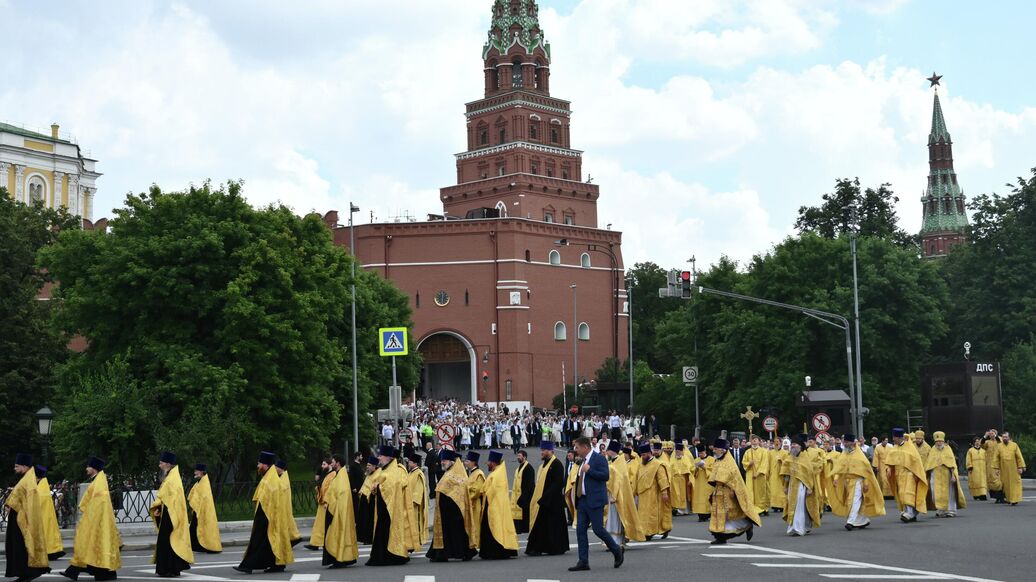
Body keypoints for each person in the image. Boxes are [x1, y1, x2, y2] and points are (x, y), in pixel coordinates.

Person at [567, 437, 623, 572]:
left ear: (585, 447)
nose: (576, 450)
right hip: (583, 500)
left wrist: (589, 470)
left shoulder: (599, 459)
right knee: (580, 531)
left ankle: (617, 550)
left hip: (595, 500)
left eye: (577, 447)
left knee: (598, 529)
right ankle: (583, 561)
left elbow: (605, 476)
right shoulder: (582, 460)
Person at [62, 456, 121, 581]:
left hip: (97, 520)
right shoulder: (98, 480)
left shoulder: (99, 481)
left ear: (94, 468)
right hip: (96, 519)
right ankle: (73, 571)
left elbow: (98, 503)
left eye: (88, 466)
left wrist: (91, 519)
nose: (86, 469)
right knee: (90, 546)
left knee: (91, 545)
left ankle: (78, 571)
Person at [234, 452, 294, 574]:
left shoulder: (271, 479)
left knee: (258, 541)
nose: (257, 466)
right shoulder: (269, 476)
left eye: (259, 463)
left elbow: (269, 500)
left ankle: (248, 566)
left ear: (265, 465)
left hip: (267, 517)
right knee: (266, 543)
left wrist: (264, 517)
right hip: (266, 516)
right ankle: (276, 565)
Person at [427, 449, 477, 562]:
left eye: (444, 460)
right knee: (447, 534)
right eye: (442, 460)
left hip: (454, 511)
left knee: (457, 533)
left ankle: (465, 553)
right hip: (445, 511)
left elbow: (458, 492)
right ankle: (441, 554)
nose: (442, 462)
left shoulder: (456, 475)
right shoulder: (448, 473)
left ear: (451, 461)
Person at [5, 453, 50, 582]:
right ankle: (24, 573)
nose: (15, 469)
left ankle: (28, 573)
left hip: (21, 519)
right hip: (18, 517)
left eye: (17, 466)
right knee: (18, 546)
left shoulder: (28, 480)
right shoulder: (27, 478)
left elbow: (29, 502)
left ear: (24, 466)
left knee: (20, 546)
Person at [707, 439, 760, 545]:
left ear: (723, 450)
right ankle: (719, 537)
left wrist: (733, 490)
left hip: (728, 492)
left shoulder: (729, 462)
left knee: (731, 516)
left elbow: (735, 478)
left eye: (716, 449)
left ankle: (747, 525)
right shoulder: (717, 461)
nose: (714, 451)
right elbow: (714, 477)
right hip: (718, 492)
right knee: (718, 516)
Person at [150, 452, 193, 577]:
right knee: (168, 541)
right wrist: (159, 508)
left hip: (171, 515)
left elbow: (168, 497)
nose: (159, 465)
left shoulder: (172, 478)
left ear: (168, 464)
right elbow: (167, 497)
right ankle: (171, 568)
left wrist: (159, 506)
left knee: (168, 541)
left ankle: (169, 569)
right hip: (168, 512)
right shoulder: (171, 476)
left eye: (161, 463)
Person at [828, 433, 884, 531]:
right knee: (854, 501)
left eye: (846, 442)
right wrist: (836, 479)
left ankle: (850, 522)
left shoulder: (860, 456)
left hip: (858, 481)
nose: (844, 444)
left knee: (854, 501)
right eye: (844, 442)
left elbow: (866, 472)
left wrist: (866, 483)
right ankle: (862, 520)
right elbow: (839, 468)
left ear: (852, 443)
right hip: (847, 482)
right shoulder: (844, 454)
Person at [366, 446, 411, 566]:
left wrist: (378, 486)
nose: (379, 458)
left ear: (388, 457)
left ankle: (391, 557)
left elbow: (393, 485)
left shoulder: (395, 470)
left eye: (381, 456)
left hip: (390, 508)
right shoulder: (385, 469)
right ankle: (381, 557)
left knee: (387, 532)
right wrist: (375, 487)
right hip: (383, 506)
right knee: (382, 532)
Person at [525, 442, 568, 556]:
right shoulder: (543, 465)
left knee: (552, 527)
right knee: (542, 526)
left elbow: (558, 483)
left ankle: (553, 548)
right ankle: (537, 548)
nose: (542, 452)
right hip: (543, 501)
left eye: (544, 450)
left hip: (552, 502)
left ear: (551, 451)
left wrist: (546, 497)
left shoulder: (557, 464)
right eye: (541, 450)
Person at [476, 451, 518, 560]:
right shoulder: (496, 472)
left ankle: (495, 552)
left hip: (495, 506)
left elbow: (493, 489)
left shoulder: (497, 474)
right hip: (491, 504)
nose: (487, 464)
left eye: (489, 462)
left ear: (493, 463)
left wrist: (483, 492)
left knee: (494, 529)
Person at [603, 440, 643, 548]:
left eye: (608, 450)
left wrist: (614, 496)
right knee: (612, 517)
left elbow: (618, 480)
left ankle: (616, 541)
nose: (607, 452)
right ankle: (614, 540)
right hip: (611, 493)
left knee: (615, 518)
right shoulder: (613, 462)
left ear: (612, 451)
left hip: (617, 495)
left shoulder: (620, 462)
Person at [322, 454, 358, 569]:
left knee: (337, 535)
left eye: (333, 462)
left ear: (338, 463)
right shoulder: (339, 474)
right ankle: (342, 558)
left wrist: (331, 505)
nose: (331, 463)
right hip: (335, 509)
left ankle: (339, 559)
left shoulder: (341, 476)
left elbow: (341, 494)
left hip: (337, 511)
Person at [885, 428, 928, 522]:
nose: (893, 439)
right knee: (901, 493)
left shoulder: (910, 448)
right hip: (898, 475)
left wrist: (916, 473)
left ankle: (909, 513)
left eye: (894, 437)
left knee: (908, 493)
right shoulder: (894, 448)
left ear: (899, 438)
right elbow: (889, 461)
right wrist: (888, 468)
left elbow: (916, 462)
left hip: (909, 474)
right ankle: (910, 512)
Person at [782, 437, 820, 536]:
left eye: (795, 444)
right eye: (792, 444)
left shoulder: (805, 457)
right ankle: (802, 526)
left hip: (802, 486)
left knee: (799, 507)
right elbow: (786, 474)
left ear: (800, 446)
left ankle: (798, 528)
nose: (793, 446)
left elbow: (809, 474)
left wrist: (810, 488)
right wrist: (785, 486)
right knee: (793, 505)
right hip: (791, 485)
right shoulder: (789, 457)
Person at [925, 431, 966, 518]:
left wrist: (953, 475)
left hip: (947, 475)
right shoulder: (932, 450)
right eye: (937, 441)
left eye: (940, 441)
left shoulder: (948, 449)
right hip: (935, 475)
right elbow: (929, 463)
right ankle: (941, 509)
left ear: (943, 441)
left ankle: (951, 510)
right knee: (935, 492)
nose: (939, 443)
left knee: (950, 493)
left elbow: (952, 463)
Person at [635, 443, 671, 540]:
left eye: (644, 455)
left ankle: (649, 533)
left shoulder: (657, 464)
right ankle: (646, 531)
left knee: (651, 514)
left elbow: (662, 479)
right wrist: (635, 492)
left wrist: (664, 493)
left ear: (649, 453)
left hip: (653, 494)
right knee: (643, 514)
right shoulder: (641, 464)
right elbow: (637, 478)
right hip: (642, 494)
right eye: (641, 455)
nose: (642, 457)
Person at [187, 464, 222, 554]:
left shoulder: (204, 482)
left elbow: (204, 497)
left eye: (196, 471)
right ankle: (198, 547)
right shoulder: (200, 482)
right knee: (193, 528)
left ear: (202, 472)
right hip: (198, 509)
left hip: (203, 510)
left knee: (197, 528)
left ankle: (209, 547)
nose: (195, 472)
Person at [34, 465, 65, 560]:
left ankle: (48, 552)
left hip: (43, 517)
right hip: (47, 516)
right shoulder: (43, 486)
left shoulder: (40, 489)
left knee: (45, 534)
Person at [272, 460, 302, 546]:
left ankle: (294, 538)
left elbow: (280, 488)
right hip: (283, 504)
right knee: (288, 521)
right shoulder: (282, 476)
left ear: (280, 468)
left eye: (276, 467)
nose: (275, 469)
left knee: (286, 521)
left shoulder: (283, 477)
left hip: (283, 504)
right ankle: (294, 537)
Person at [306, 457, 334, 551]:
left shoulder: (332, 474)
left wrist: (327, 501)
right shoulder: (325, 474)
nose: (322, 466)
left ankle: (318, 543)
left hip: (326, 503)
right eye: (322, 464)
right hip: (322, 502)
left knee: (323, 525)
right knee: (319, 525)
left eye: (324, 464)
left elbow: (330, 489)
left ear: (329, 465)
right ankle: (315, 543)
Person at [354, 456, 380, 545]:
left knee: (369, 520)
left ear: (374, 466)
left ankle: (369, 538)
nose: (367, 467)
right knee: (363, 520)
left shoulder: (378, 473)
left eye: (369, 465)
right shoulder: (369, 474)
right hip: (364, 500)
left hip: (371, 500)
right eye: (367, 465)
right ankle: (363, 537)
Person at [742, 436, 770, 516]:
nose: (754, 441)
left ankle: (762, 508)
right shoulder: (747, 452)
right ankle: (752, 509)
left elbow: (764, 463)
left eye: (755, 440)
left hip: (760, 475)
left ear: (759, 441)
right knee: (750, 492)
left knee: (760, 492)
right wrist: (749, 463)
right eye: (752, 440)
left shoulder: (763, 451)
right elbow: (744, 462)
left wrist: (757, 473)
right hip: (750, 475)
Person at [405, 453, 429, 547]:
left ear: (415, 463)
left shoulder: (419, 473)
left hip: (414, 505)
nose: (408, 464)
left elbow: (419, 490)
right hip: (408, 503)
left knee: (416, 523)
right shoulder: (410, 473)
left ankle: (417, 540)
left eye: (410, 462)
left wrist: (413, 502)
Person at [509, 450, 535, 535]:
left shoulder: (529, 468)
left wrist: (524, 497)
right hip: (518, 495)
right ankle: (519, 528)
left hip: (526, 496)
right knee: (518, 513)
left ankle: (524, 528)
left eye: (519, 456)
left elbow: (529, 484)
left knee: (525, 513)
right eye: (518, 456)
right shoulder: (519, 468)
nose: (518, 457)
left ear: (524, 457)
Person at [998, 432, 1026, 505]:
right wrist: (996, 469)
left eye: (1006, 437)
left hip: (1014, 468)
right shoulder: (999, 446)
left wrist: (1020, 467)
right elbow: (996, 458)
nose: (1004, 438)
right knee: (1006, 484)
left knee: (1015, 484)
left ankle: (1015, 499)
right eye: (1003, 437)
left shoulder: (1014, 445)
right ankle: (1009, 499)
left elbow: (1019, 457)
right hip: (1004, 469)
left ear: (1009, 438)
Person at [690, 445, 714, 522]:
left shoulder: (711, 459)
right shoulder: (696, 460)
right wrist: (696, 468)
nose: (700, 454)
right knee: (699, 498)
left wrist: (704, 467)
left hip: (707, 483)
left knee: (707, 498)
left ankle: (707, 515)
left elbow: (713, 470)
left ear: (705, 452)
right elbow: (692, 470)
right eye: (699, 453)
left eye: (702, 453)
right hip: (699, 483)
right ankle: (700, 516)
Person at [669, 443, 692, 516]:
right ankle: (677, 509)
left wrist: (689, 479)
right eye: (676, 452)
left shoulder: (686, 458)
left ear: (682, 451)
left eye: (679, 452)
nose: (677, 453)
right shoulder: (673, 459)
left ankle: (684, 510)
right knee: (676, 495)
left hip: (683, 480)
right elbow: (670, 468)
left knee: (683, 495)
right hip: (675, 480)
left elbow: (689, 469)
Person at [982, 430, 1004, 503]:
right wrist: (985, 436)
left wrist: (996, 436)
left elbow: (1001, 442)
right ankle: (997, 497)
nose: (991, 435)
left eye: (993, 433)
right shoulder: (987, 442)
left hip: (999, 464)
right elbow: (982, 445)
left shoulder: (1000, 439)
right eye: (990, 434)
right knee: (991, 481)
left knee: (999, 481)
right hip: (990, 465)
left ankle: (1001, 497)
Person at [768, 440, 789, 514]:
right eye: (775, 442)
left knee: (781, 490)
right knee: (773, 490)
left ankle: (782, 505)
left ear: (781, 443)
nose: (776, 444)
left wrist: (782, 460)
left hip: (781, 474)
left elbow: (788, 463)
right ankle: (774, 506)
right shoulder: (770, 452)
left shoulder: (785, 452)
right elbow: (768, 463)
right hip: (773, 474)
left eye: (778, 442)